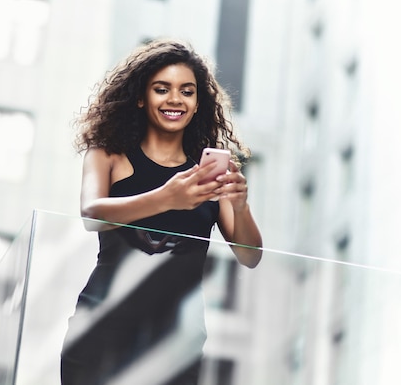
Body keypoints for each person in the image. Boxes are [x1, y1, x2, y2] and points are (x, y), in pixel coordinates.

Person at [60, 39, 262, 385]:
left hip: (176, 340)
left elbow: (250, 256)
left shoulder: (210, 172)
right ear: (141, 97)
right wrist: (168, 198)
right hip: (102, 327)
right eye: (161, 89)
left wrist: (241, 208)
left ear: (198, 103)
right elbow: (92, 214)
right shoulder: (108, 154)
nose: (174, 100)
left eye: (187, 91)